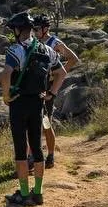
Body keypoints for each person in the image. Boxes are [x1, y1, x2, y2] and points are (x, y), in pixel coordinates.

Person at [0, 11, 66, 206]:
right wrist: (51, 93)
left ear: (17, 29)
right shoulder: (47, 50)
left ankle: (23, 193)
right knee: (37, 149)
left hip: (19, 103)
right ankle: (38, 193)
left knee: (21, 150)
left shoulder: (15, 49)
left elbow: (7, 74)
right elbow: (61, 72)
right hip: (38, 102)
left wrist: (6, 97)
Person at [32, 14, 78, 169]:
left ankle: (50, 155)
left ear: (45, 29)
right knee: (33, 123)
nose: (34, 31)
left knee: (45, 123)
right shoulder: (35, 42)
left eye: (37, 29)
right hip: (37, 86)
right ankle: (33, 155)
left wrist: (60, 72)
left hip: (49, 89)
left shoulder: (55, 42)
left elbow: (73, 58)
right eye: (33, 29)